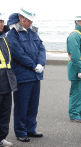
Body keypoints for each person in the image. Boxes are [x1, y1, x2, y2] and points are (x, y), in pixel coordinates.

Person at [6, 7, 46, 142]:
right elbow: (18, 53)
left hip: (35, 75)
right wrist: (33, 65)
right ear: (21, 19)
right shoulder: (12, 34)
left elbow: (41, 48)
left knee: (33, 104)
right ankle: (21, 131)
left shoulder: (32, 32)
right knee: (21, 105)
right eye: (29, 20)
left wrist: (41, 63)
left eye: (32, 21)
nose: (31, 23)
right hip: (22, 75)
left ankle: (30, 129)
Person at [67, 16, 81, 123]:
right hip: (78, 68)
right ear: (78, 22)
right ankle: (74, 114)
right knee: (77, 92)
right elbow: (75, 56)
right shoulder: (74, 36)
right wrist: (80, 70)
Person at [0, 14, 17, 147]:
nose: (1, 24)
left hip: (6, 81)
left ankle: (1, 138)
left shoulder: (4, 39)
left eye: (2, 22)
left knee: (5, 112)